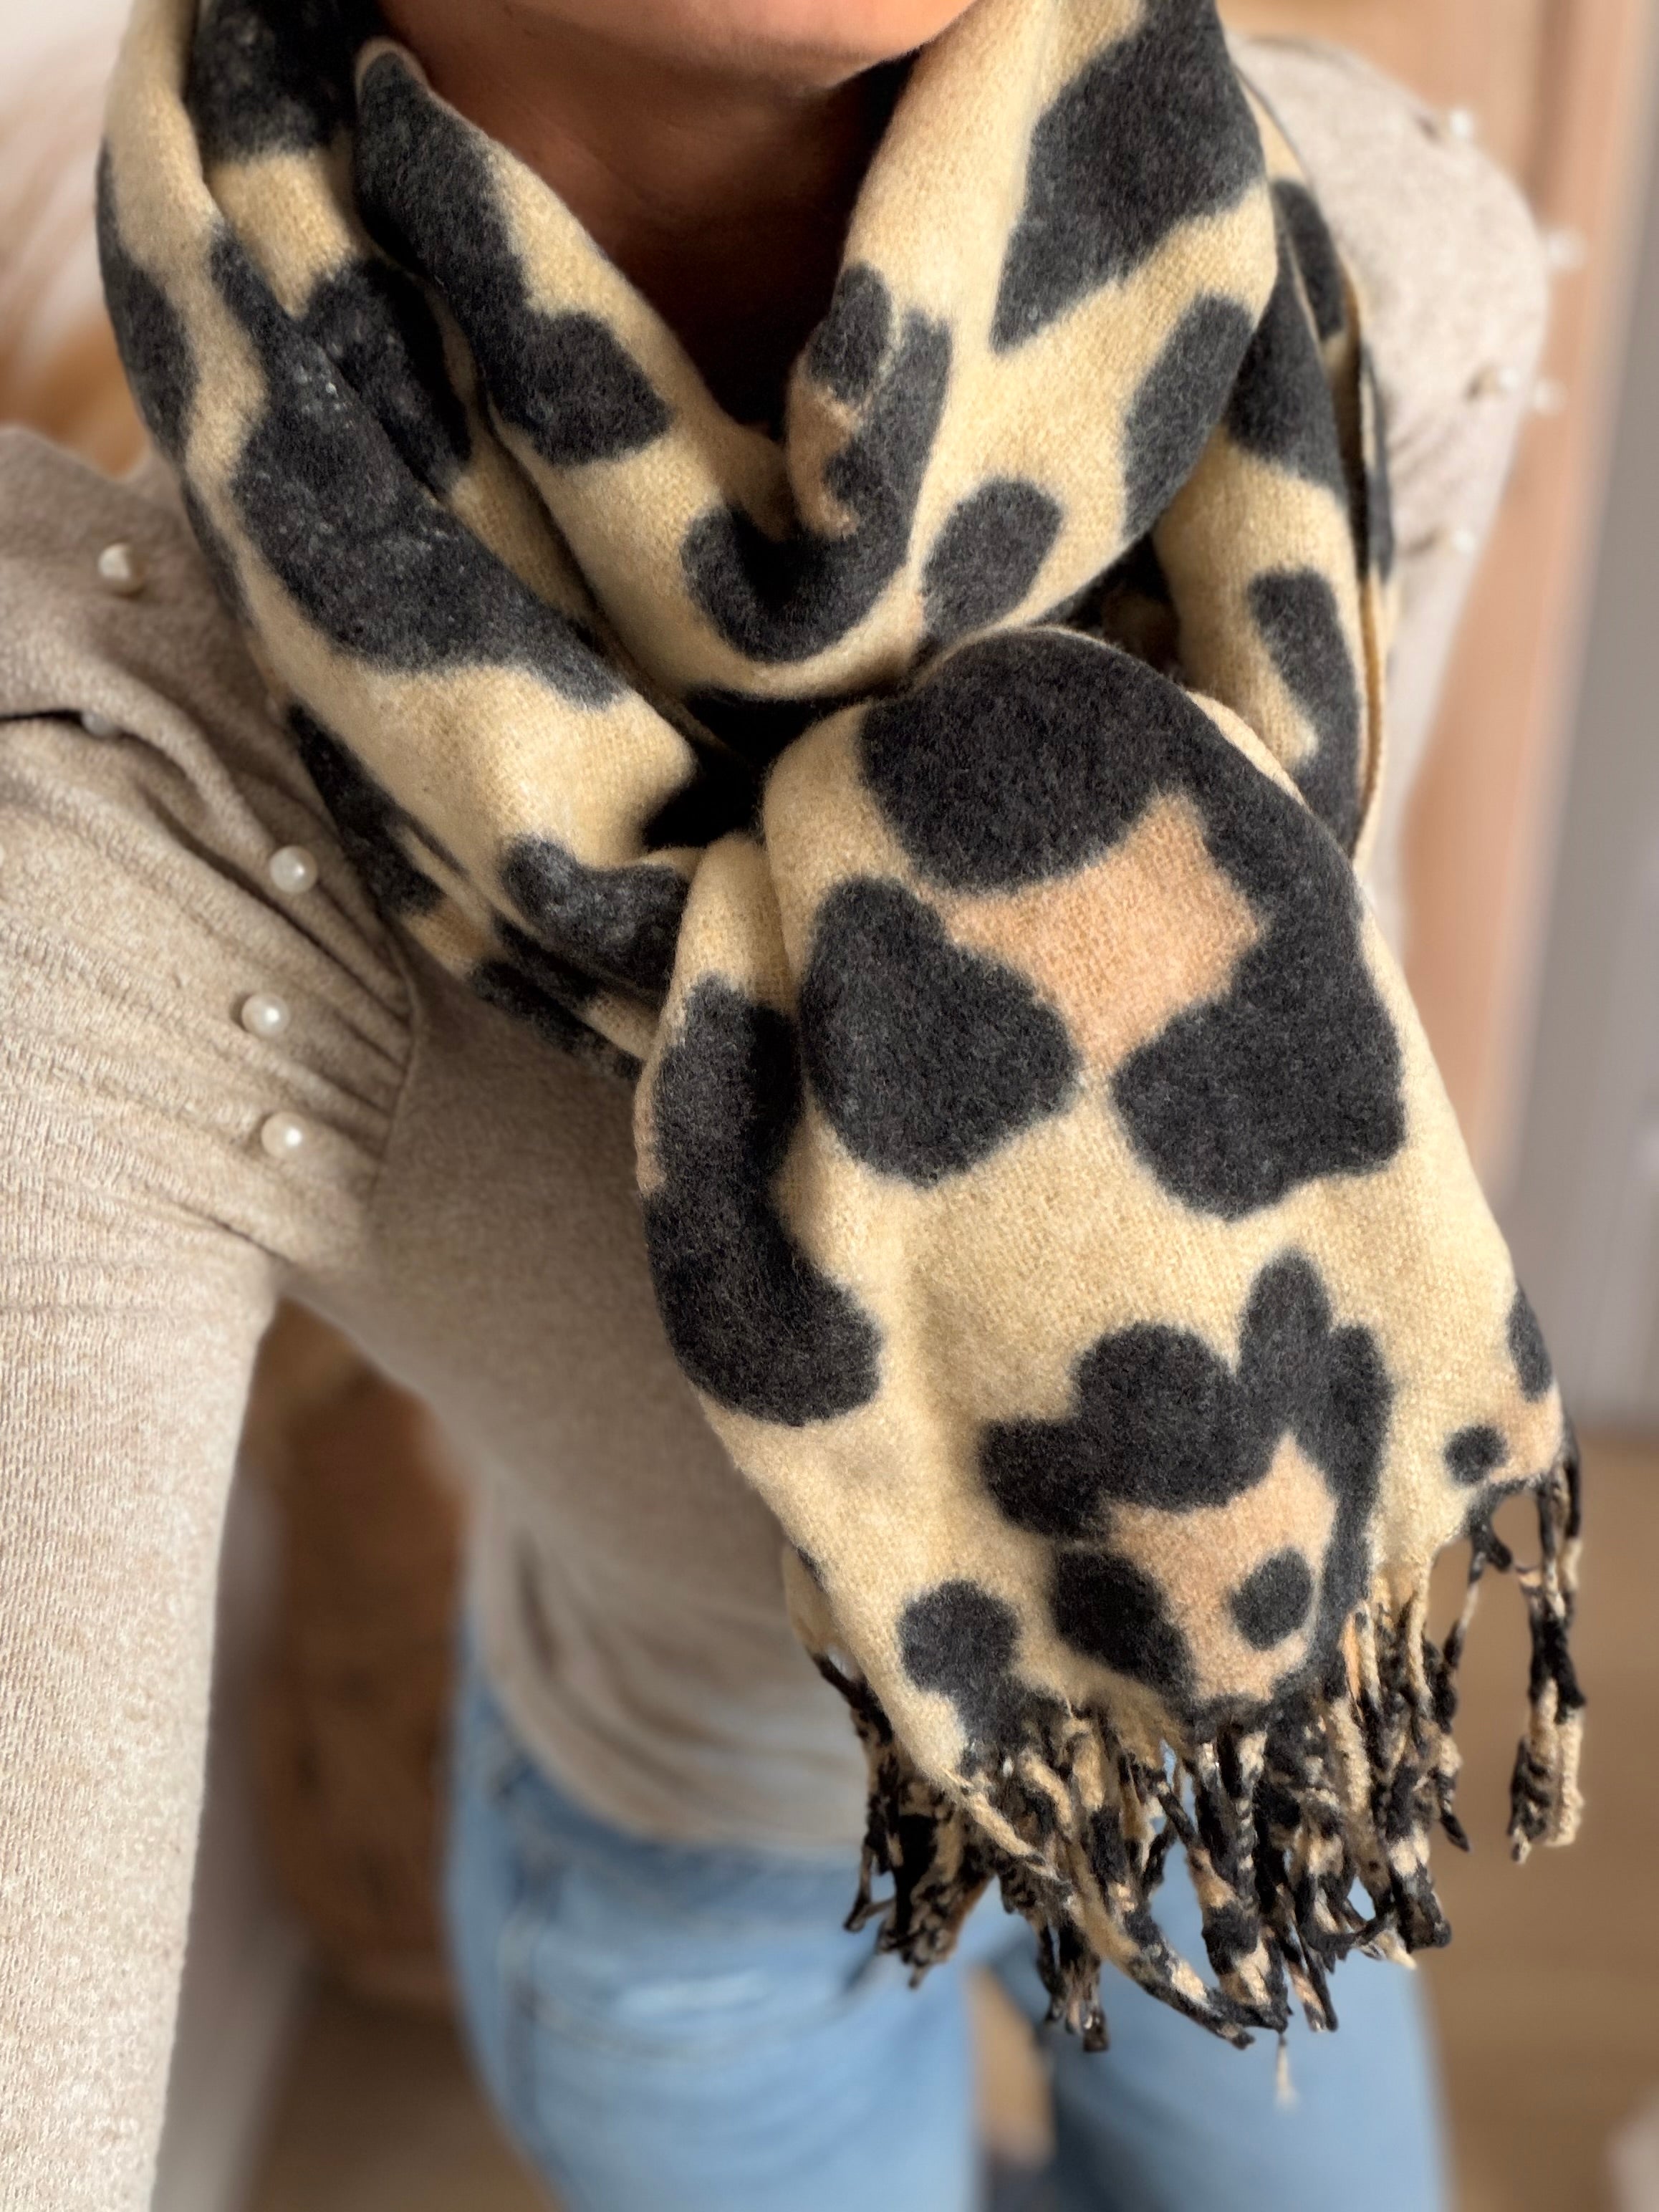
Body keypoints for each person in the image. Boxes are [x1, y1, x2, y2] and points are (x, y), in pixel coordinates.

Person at [0, 1, 1549, 2207]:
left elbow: (1325, 1028)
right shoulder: (140, 805)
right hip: (709, 1900)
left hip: (1227, 1731)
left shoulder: (1358, 266)